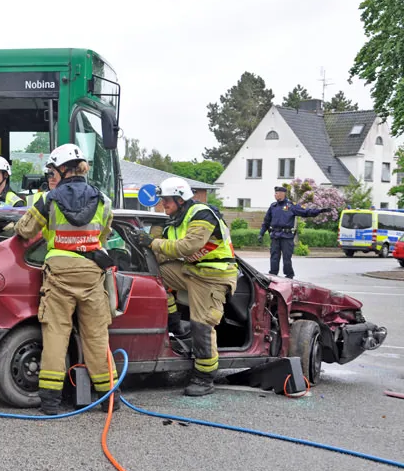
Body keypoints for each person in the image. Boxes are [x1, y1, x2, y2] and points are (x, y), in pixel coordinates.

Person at [14, 143, 116, 415]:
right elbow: (104, 236)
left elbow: (24, 230)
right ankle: (108, 399)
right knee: (96, 335)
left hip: (59, 272)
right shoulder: (103, 200)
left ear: (61, 169)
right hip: (91, 271)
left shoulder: (49, 199)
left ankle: (50, 402)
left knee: (56, 334)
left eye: (53, 170)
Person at [135, 177, 237, 397]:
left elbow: (188, 246)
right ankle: (174, 323)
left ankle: (204, 377)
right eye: (162, 201)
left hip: (213, 276)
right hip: (191, 271)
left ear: (180, 198)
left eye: (167, 201)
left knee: (201, 325)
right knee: (156, 275)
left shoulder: (201, 214)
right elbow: (160, 253)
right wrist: (149, 240)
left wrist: (152, 242)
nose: (163, 205)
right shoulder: (173, 221)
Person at [258, 186, 331, 279]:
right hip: (275, 236)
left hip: (287, 236)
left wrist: (319, 211)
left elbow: (305, 211)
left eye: (276, 193)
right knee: (274, 257)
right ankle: (273, 275)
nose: (275, 195)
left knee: (287, 258)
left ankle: (289, 276)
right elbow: (266, 221)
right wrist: (261, 233)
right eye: (275, 193)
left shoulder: (291, 206)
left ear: (282, 193)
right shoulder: (273, 207)